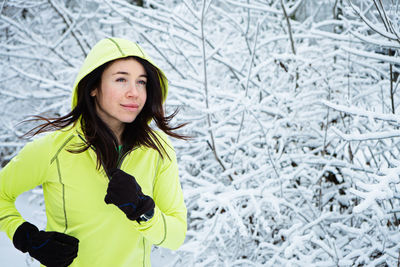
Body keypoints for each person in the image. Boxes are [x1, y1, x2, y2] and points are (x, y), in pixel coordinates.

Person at [0, 37, 187, 267]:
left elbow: (176, 235)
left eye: (141, 82)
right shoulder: (54, 149)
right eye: (121, 79)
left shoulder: (157, 148)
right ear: (93, 88)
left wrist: (142, 210)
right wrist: (27, 237)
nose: (134, 93)